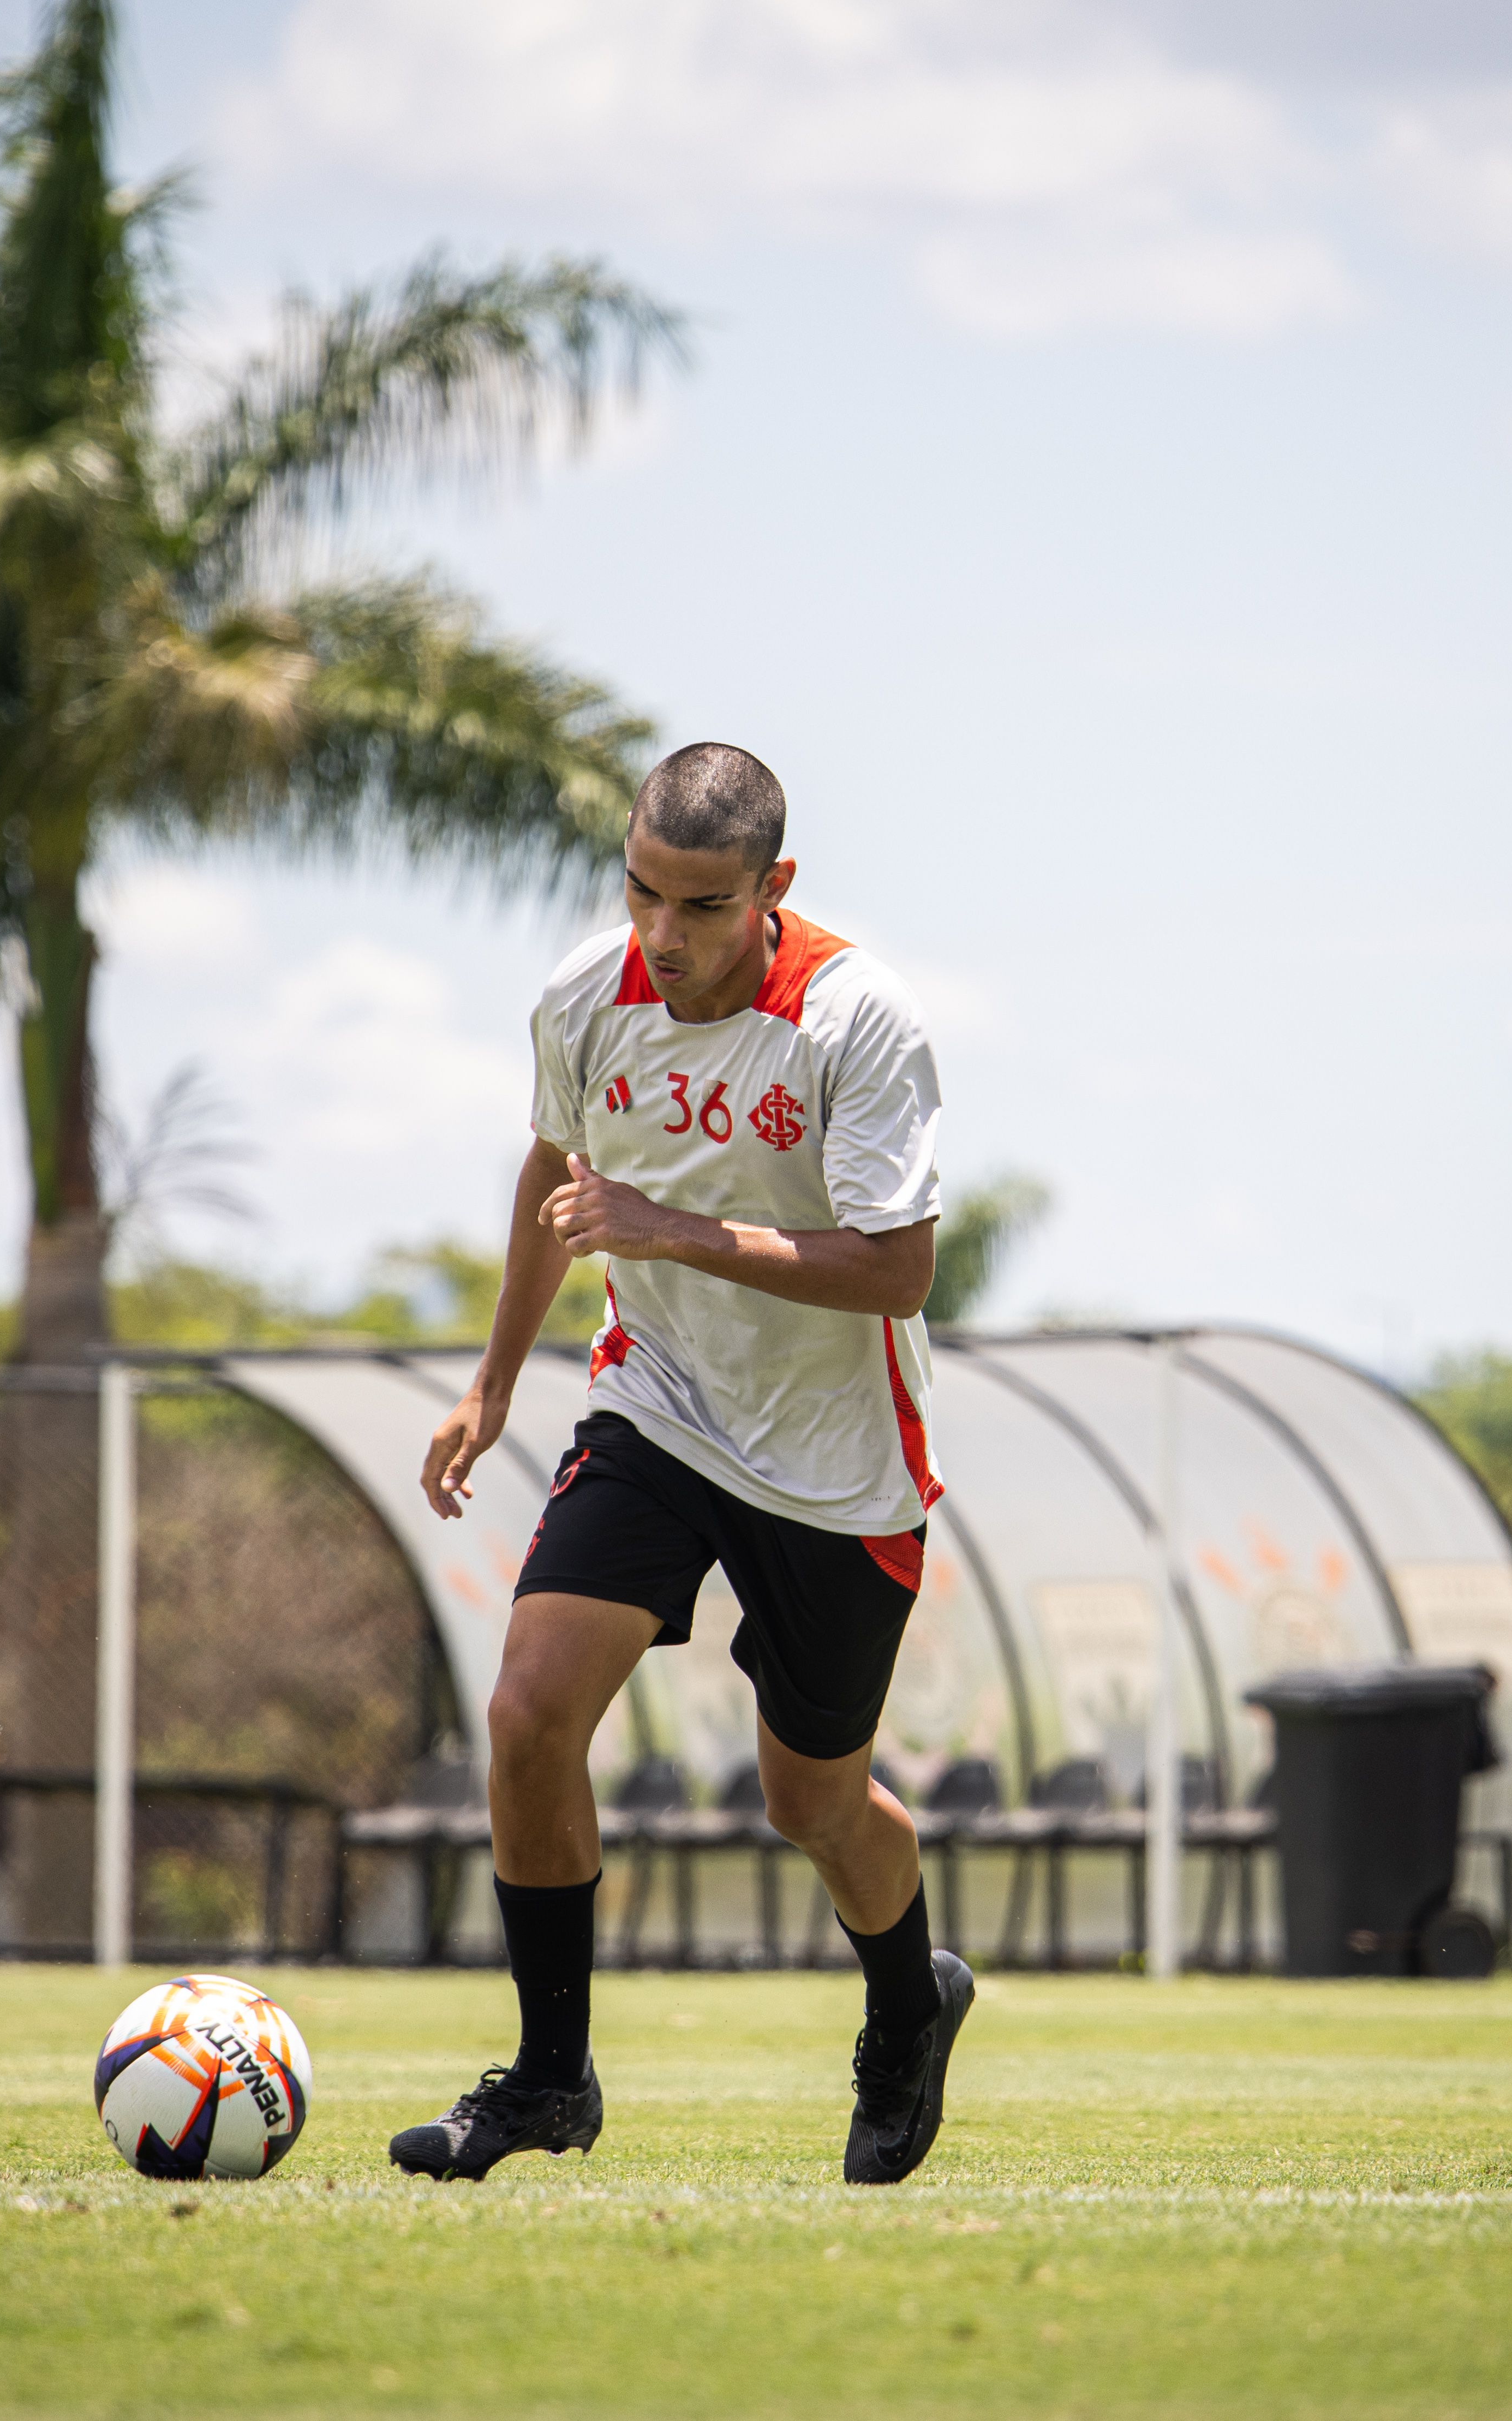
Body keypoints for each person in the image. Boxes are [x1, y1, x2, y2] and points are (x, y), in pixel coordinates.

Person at [399, 740, 972, 2186]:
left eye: (704, 904)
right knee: (530, 1713)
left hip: (836, 1464)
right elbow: (553, 1178)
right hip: (653, 1406)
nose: (665, 933)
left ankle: (909, 2006)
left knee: (811, 1805)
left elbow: (899, 1271)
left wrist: (684, 1233)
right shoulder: (586, 1002)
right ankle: (546, 2080)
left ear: (773, 889)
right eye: (643, 891)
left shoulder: (858, 1022)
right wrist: (488, 1385)